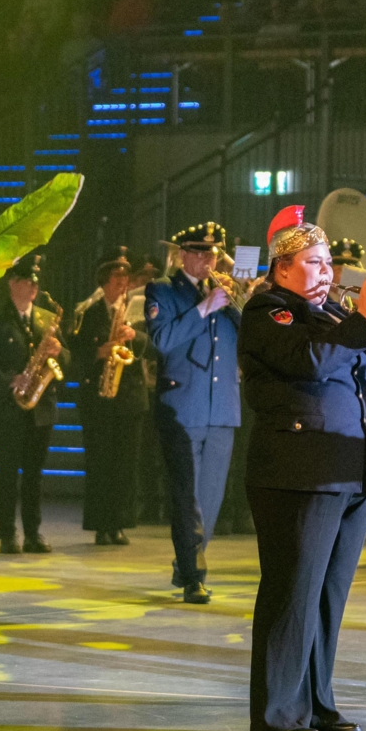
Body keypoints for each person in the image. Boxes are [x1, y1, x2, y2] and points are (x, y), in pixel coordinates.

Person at [240, 206, 366, 731]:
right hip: (298, 471)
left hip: (348, 467)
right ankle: (276, 714)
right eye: (314, 262)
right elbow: (306, 362)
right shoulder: (268, 310)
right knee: (293, 593)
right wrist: (360, 322)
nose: (327, 271)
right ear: (283, 268)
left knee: (328, 598)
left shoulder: (333, 313)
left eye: (329, 262)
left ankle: (316, 704)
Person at [144, 222, 241, 603]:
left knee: (211, 500)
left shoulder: (228, 294)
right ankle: (193, 576)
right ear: (183, 255)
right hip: (183, 407)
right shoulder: (164, 290)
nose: (206, 260)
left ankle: (186, 562)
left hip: (223, 408)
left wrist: (245, 299)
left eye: (212, 254)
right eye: (198, 253)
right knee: (188, 498)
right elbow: (163, 340)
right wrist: (204, 308)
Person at [0, 256, 69, 554]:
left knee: (34, 474)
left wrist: (59, 351)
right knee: (7, 472)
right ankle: (7, 533)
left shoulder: (46, 318)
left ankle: (33, 533)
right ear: (12, 282)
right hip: (7, 407)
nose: (33, 287)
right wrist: (10, 379)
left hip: (41, 407)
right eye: (27, 281)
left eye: (35, 282)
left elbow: (67, 360)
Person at [74, 254, 147, 545]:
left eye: (125, 277)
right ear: (104, 281)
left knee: (125, 465)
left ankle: (119, 523)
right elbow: (75, 353)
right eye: (117, 277)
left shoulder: (137, 311)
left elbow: (153, 345)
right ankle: (100, 524)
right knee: (100, 464)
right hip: (99, 398)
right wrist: (98, 353)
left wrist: (134, 336)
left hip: (129, 397)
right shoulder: (88, 313)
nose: (122, 282)